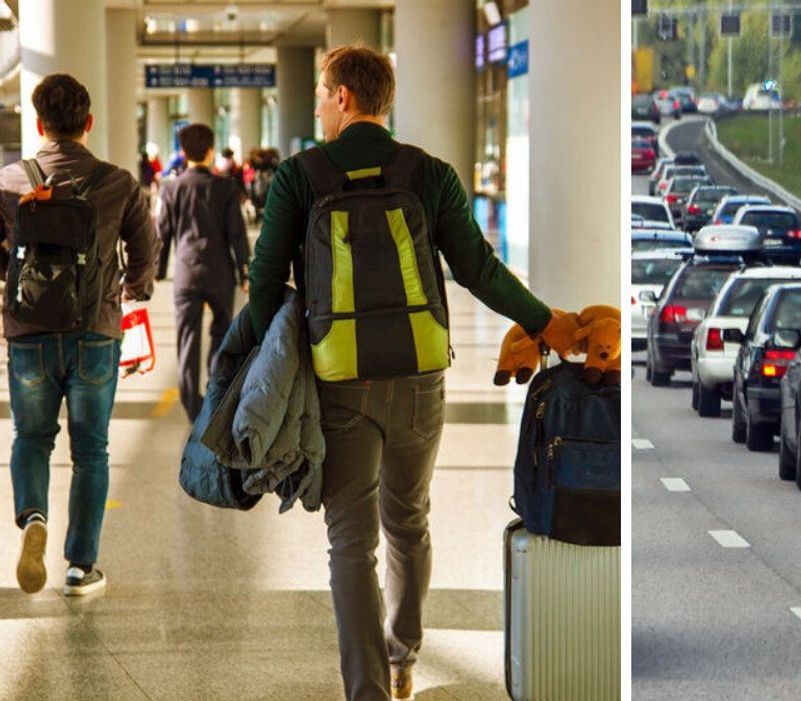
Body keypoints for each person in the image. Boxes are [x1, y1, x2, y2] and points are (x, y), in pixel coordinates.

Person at [248, 44, 571, 701]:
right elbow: (476, 267)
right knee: (409, 520)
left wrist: (259, 366)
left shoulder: (301, 175)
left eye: (319, 92)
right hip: (420, 378)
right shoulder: (428, 172)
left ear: (342, 97)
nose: (315, 103)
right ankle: (403, 653)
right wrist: (544, 321)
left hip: (338, 379)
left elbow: (263, 281)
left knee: (350, 543)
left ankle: (364, 689)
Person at [0, 73, 158, 597]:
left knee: (31, 437)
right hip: (95, 330)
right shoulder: (117, 183)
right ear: (88, 124)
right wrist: (135, 287)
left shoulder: (11, 182)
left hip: (29, 333)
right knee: (91, 448)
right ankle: (80, 566)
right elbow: (146, 247)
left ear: (40, 124)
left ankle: (34, 517)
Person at [156, 123, 250, 421]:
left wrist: (158, 271)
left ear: (183, 152)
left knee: (188, 339)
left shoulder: (171, 188)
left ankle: (191, 405)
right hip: (219, 272)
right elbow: (237, 233)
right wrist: (244, 271)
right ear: (210, 151)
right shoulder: (225, 187)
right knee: (222, 332)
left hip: (186, 274)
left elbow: (163, 232)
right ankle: (215, 393)